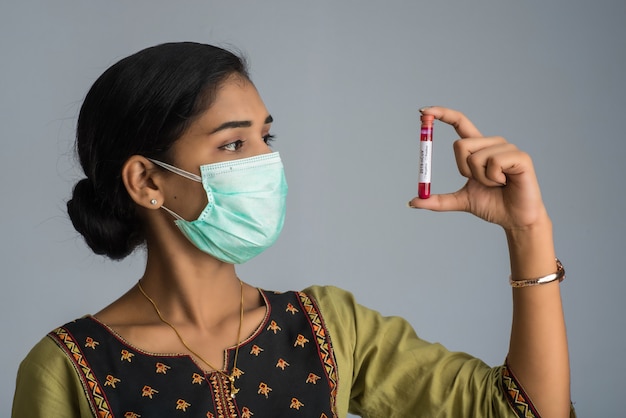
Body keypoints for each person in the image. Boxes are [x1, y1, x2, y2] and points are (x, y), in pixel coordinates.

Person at [12, 42, 574, 418]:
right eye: (233, 144)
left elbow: (522, 412)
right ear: (146, 180)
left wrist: (528, 230)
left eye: (266, 139)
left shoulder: (330, 328)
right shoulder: (68, 368)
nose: (264, 162)